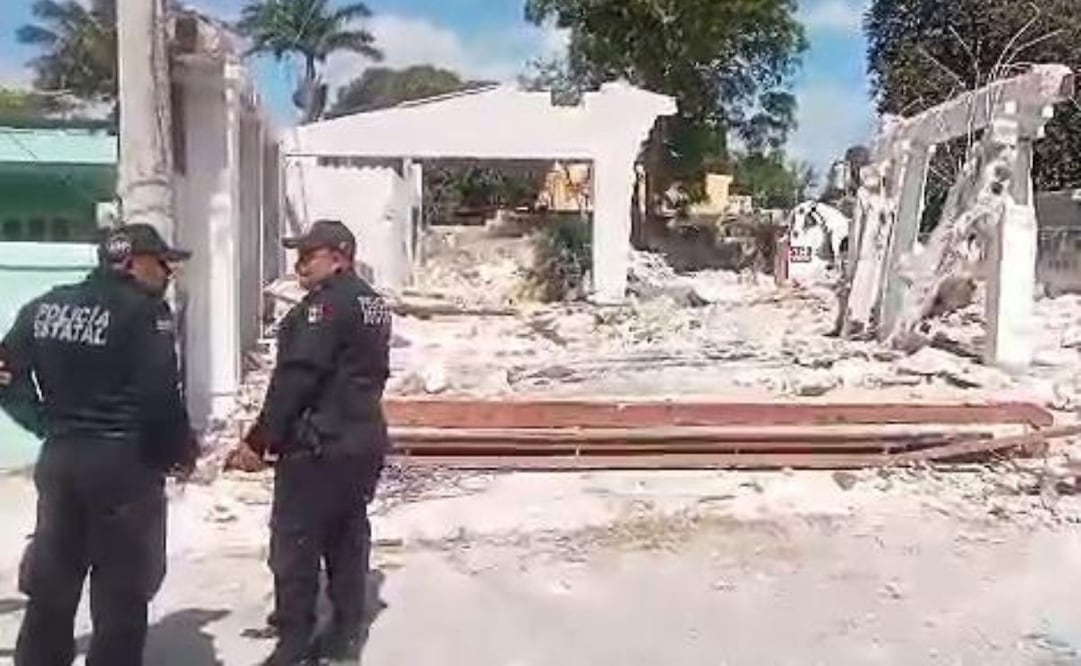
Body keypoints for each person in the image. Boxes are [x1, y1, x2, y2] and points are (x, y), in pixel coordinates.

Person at [0, 223, 199, 666]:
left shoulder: (45, 306)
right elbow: (159, 396)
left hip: (61, 460)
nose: (168, 273)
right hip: (124, 467)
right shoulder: (147, 314)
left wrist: (42, 421)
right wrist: (179, 452)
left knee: (52, 582)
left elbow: (4, 372)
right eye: (162, 263)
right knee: (121, 595)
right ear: (131, 263)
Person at [227, 220, 391, 666]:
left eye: (307, 255)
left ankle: (295, 641)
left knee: (295, 542)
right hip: (361, 440)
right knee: (347, 536)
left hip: (320, 445)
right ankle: (345, 635)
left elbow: (297, 378)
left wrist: (260, 441)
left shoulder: (325, 307)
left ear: (339, 256)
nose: (298, 264)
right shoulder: (372, 302)